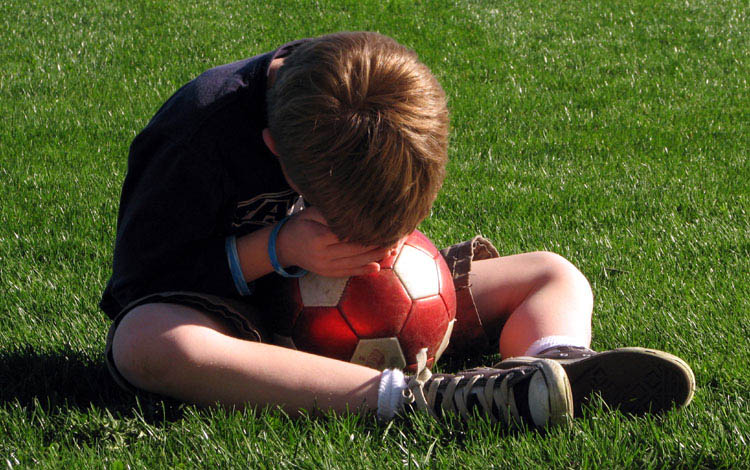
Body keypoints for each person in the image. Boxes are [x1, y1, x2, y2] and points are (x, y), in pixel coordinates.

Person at [101, 31, 694, 429]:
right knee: (146, 342)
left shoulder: (383, 93)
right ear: (274, 150)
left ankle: (556, 370)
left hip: (375, 303)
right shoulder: (194, 141)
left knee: (550, 271)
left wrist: (390, 254)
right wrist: (276, 248)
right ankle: (424, 400)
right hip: (240, 320)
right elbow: (139, 282)